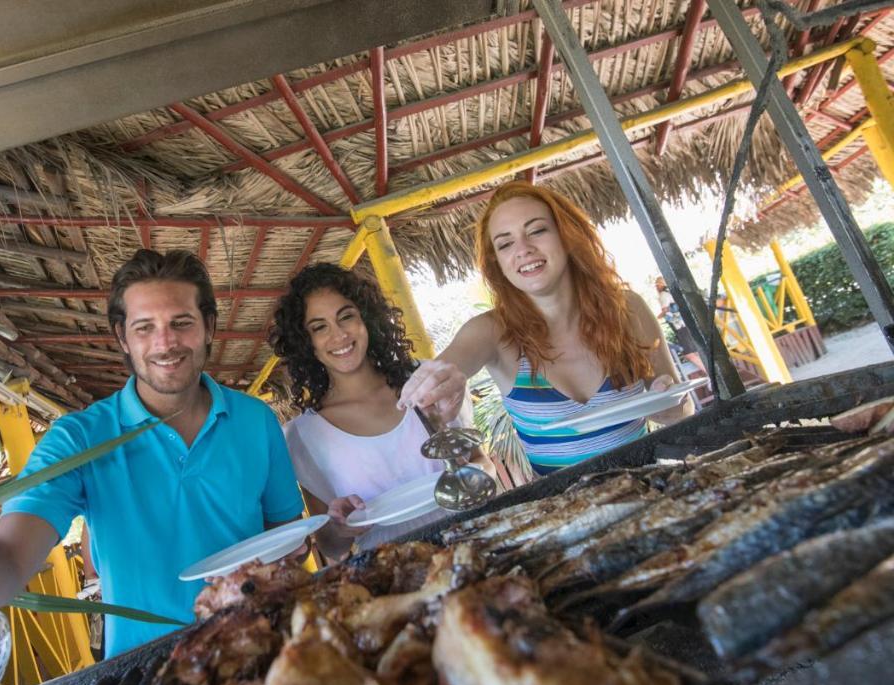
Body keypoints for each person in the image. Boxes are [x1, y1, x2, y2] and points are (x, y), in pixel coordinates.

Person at [0, 250, 304, 661]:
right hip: (144, 674)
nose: (166, 343)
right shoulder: (78, 439)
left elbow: (289, 540)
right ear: (123, 338)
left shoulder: (255, 420)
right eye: (144, 327)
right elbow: (8, 560)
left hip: (262, 646)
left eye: (182, 322)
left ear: (209, 326)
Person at [400, 181, 694, 477]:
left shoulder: (627, 309)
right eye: (505, 243)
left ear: (567, 236)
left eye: (537, 231)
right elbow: (451, 363)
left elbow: (682, 411)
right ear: (497, 263)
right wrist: (436, 380)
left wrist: (668, 406)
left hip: (654, 490)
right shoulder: (492, 331)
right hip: (563, 512)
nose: (523, 250)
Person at [270, 263, 490, 560]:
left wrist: (463, 465)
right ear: (306, 343)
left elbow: (483, 464)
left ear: (367, 319)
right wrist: (342, 526)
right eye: (319, 327)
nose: (339, 335)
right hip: (391, 569)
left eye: (346, 316)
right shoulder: (302, 436)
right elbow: (330, 546)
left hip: (474, 541)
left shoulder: (425, 380)